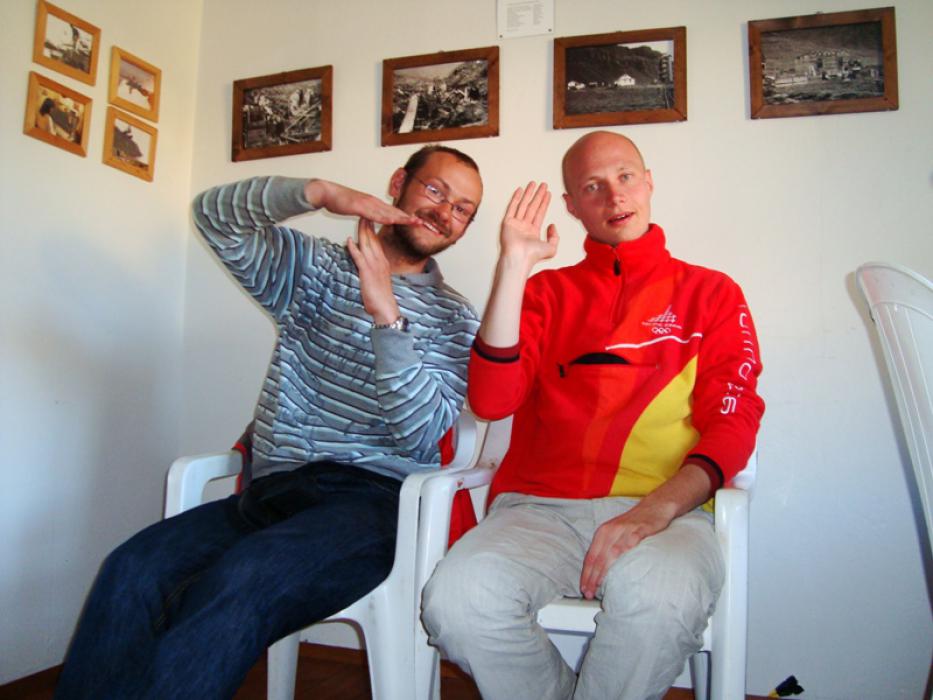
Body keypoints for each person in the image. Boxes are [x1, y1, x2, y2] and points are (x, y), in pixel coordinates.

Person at [55, 144, 484, 699]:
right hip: (272, 492)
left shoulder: (455, 317)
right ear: (399, 182)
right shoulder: (314, 268)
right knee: (131, 569)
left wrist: (387, 316)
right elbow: (213, 216)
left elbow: (420, 434)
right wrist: (318, 193)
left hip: (373, 505)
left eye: (463, 210)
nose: (444, 213)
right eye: (435, 190)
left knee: (242, 578)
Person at [422, 130, 764, 700]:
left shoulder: (713, 293)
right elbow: (491, 402)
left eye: (625, 177)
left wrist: (655, 510)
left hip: (668, 512)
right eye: (592, 187)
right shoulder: (544, 294)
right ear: (572, 206)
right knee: (458, 602)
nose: (614, 196)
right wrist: (514, 265)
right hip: (539, 510)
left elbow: (736, 420)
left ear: (648, 182)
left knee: (660, 600)